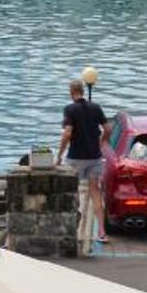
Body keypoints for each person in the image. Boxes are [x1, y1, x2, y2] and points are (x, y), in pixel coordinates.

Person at [58, 78, 109, 245]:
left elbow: (67, 133)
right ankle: (101, 232)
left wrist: (59, 154)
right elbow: (108, 128)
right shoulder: (96, 107)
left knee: (73, 190)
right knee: (95, 193)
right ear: (83, 91)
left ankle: (75, 224)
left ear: (71, 93)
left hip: (76, 158)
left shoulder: (69, 109)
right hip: (94, 157)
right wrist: (102, 142)